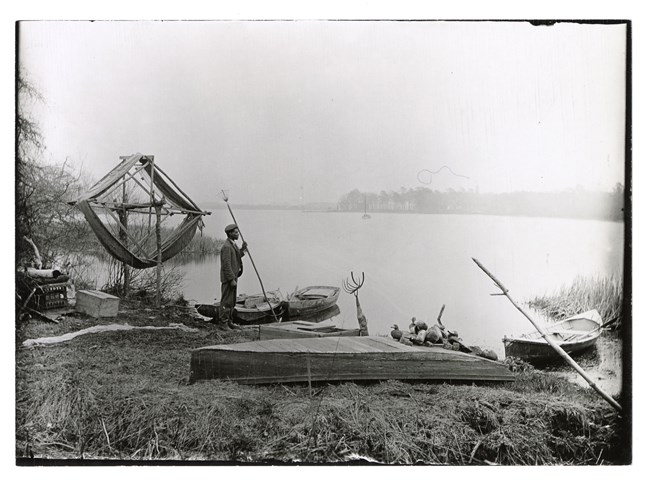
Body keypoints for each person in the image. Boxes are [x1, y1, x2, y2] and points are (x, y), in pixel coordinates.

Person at [218, 223, 247, 330]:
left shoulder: (232, 244)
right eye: (236, 232)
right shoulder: (226, 247)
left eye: (238, 232)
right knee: (226, 301)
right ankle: (223, 323)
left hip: (234, 278)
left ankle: (229, 321)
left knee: (232, 301)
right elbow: (226, 265)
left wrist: (243, 249)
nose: (238, 234)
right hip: (229, 279)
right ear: (230, 234)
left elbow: (237, 256)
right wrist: (231, 279)